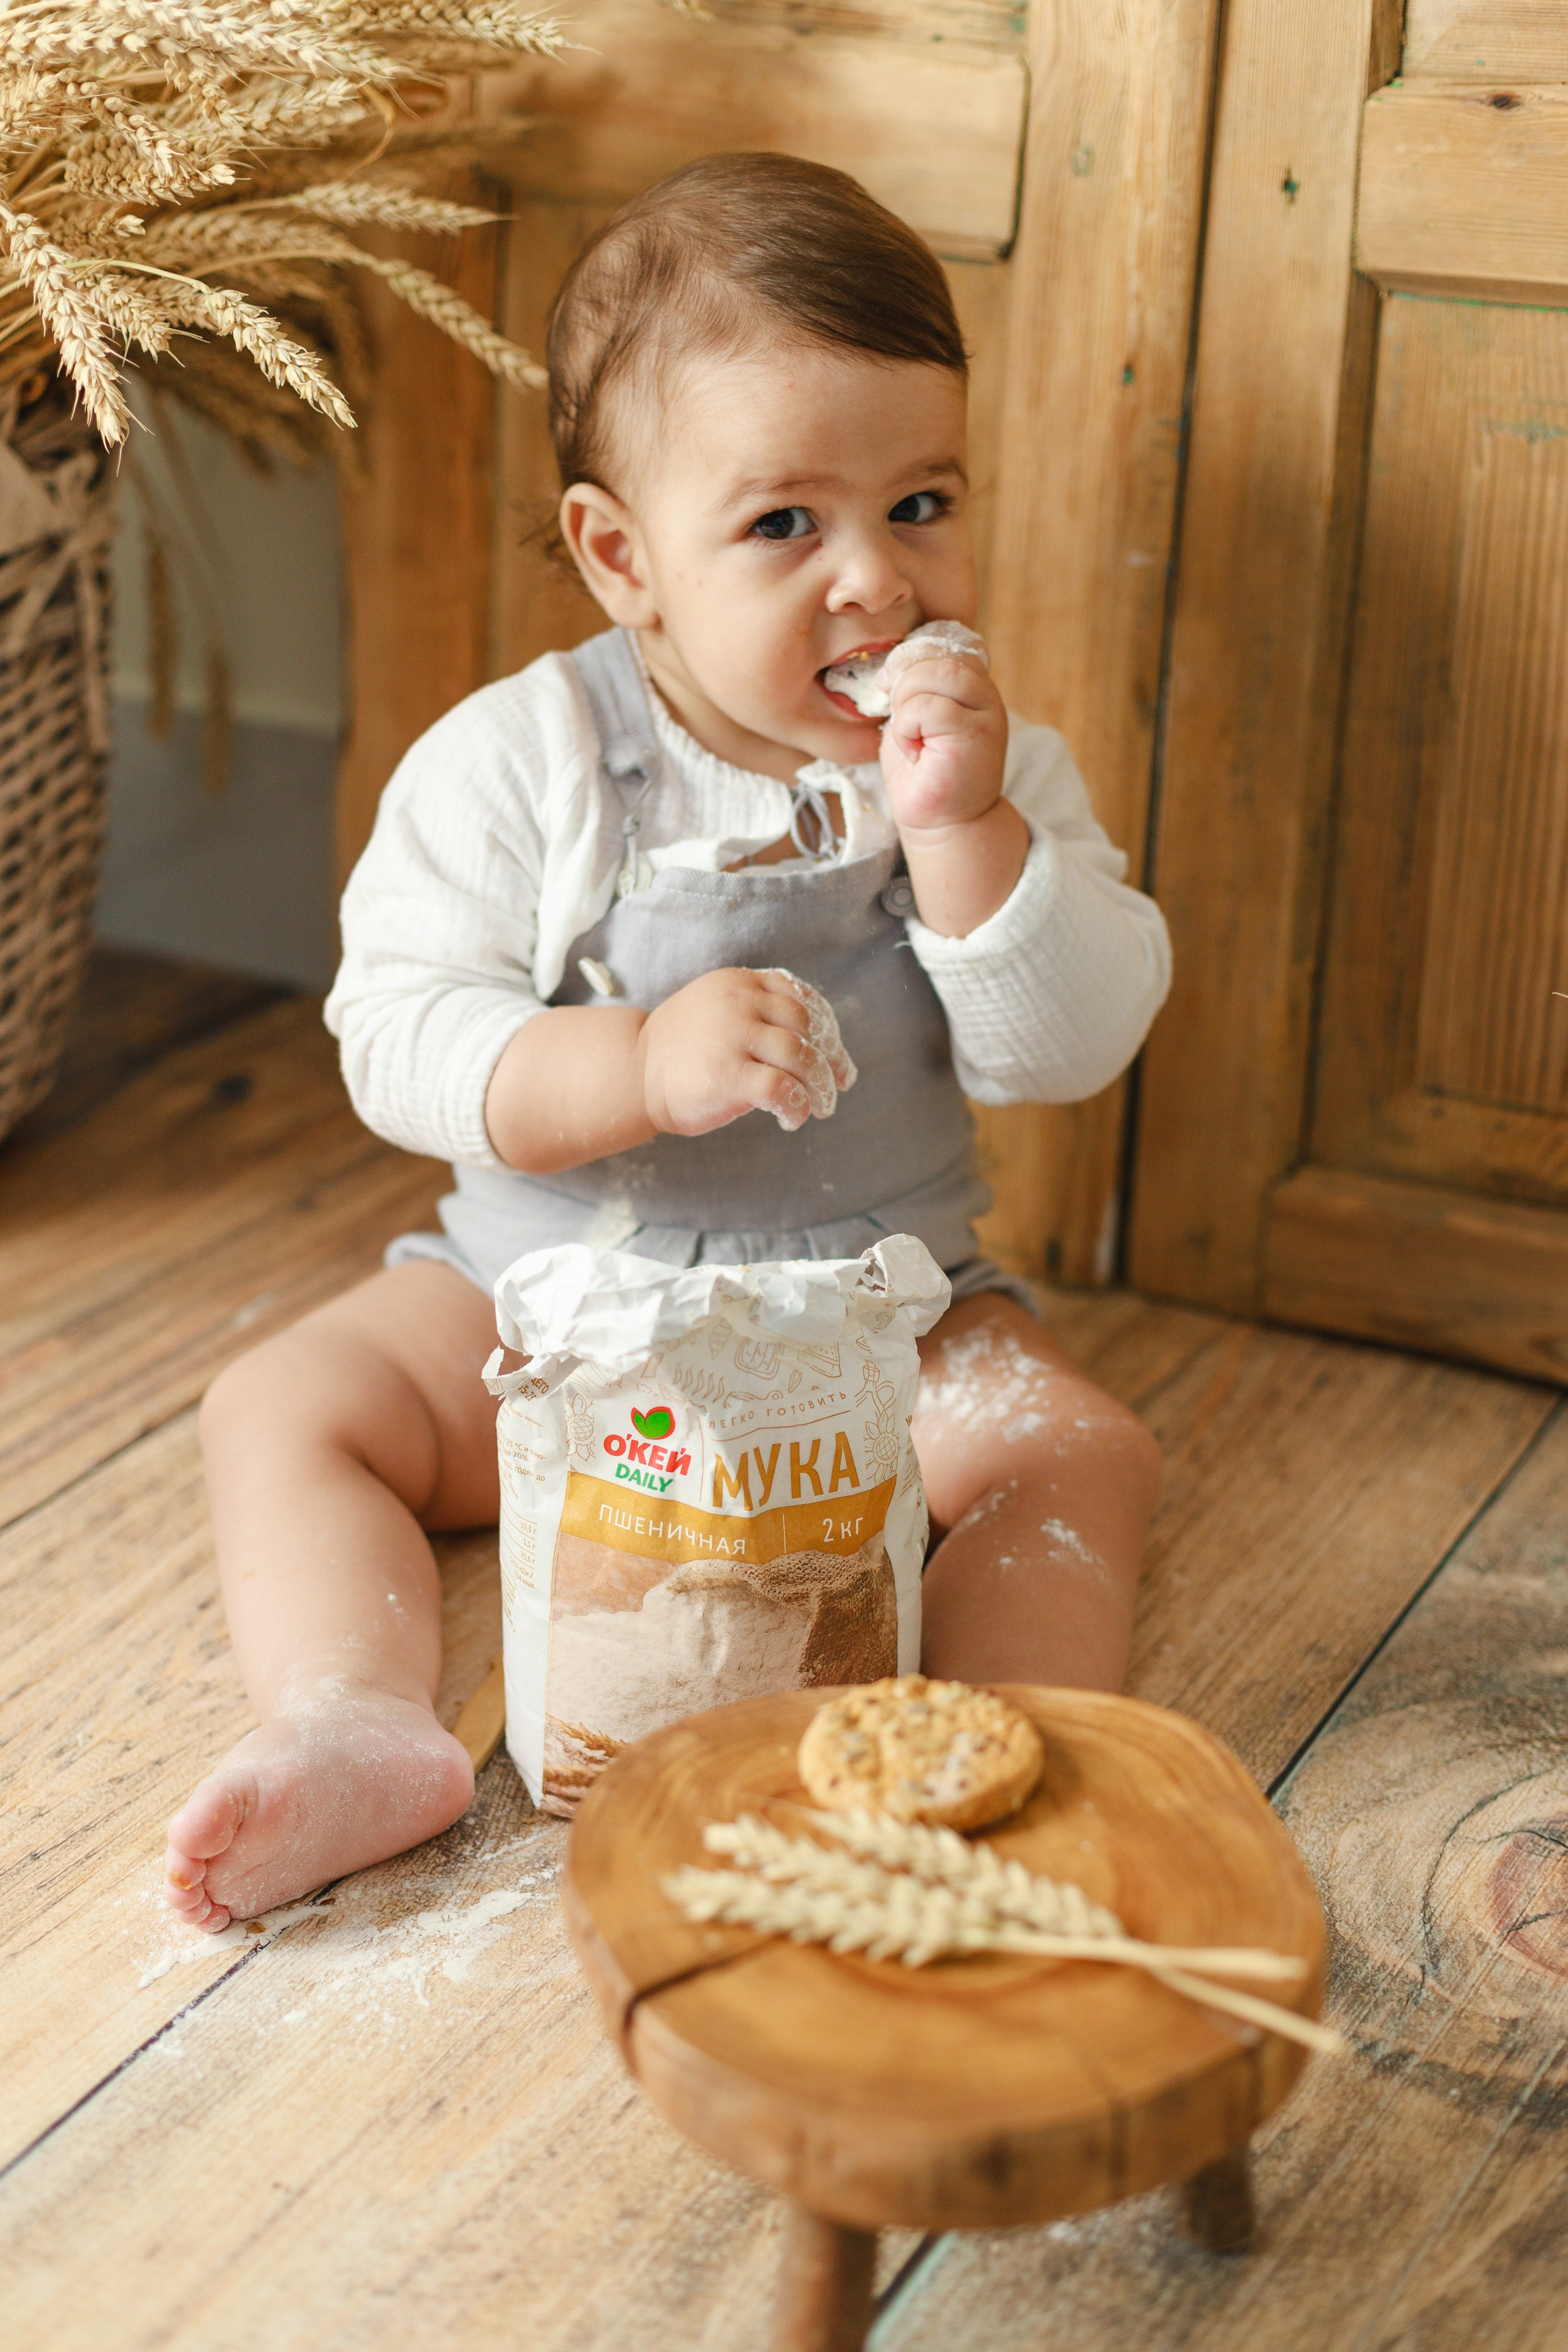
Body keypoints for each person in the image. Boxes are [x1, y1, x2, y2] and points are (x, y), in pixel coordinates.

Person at [165, 152, 1170, 1932]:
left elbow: (1070, 1044)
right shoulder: (523, 759)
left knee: (1071, 1450)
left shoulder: (986, 771)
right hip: (550, 1317)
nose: (876, 581)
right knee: (289, 1403)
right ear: (622, 556)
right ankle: (355, 1719)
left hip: (881, 1324)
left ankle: (976, 1756)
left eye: (922, 502)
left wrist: (965, 836)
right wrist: (624, 1070)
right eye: (787, 525)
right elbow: (395, 1033)